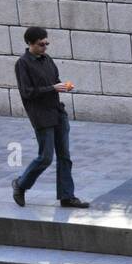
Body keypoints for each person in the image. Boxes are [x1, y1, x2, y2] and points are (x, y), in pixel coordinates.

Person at [11, 26, 88, 209]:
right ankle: (20, 184)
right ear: (30, 43)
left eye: (46, 43)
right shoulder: (23, 63)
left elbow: (55, 81)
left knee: (65, 156)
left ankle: (67, 196)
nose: (45, 47)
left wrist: (62, 86)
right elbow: (27, 92)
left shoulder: (47, 59)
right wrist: (53, 88)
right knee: (45, 157)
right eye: (40, 44)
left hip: (57, 112)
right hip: (41, 116)